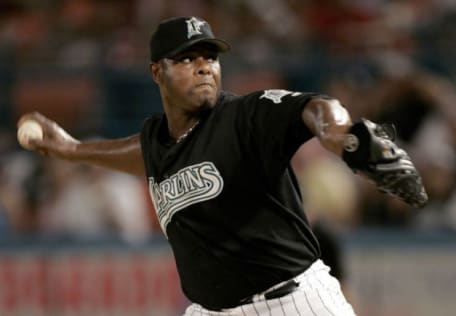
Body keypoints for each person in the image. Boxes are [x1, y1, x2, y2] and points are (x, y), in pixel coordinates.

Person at [17, 16, 427, 316]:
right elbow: (138, 153)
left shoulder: (245, 117)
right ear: (156, 71)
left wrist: (341, 136)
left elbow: (315, 107)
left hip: (292, 303)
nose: (204, 66)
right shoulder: (157, 143)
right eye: (187, 58)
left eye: (209, 56)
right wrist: (70, 149)